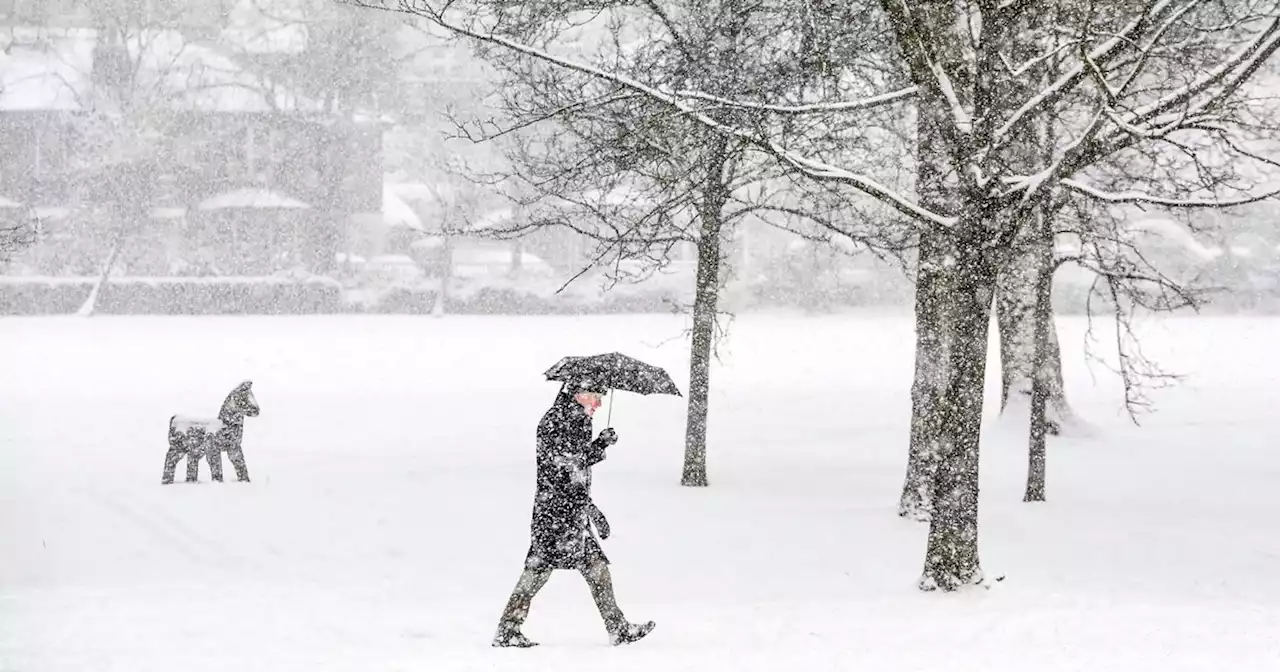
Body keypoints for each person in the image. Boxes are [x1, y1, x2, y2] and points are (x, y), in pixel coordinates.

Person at [492, 380, 655, 647]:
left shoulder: (576, 419)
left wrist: (600, 444)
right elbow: (564, 467)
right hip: (555, 515)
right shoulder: (556, 420)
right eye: (596, 396)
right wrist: (590, 504)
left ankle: (618, 628)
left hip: (570, 513)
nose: (599, 403)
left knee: (595, 568)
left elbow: (575, 463)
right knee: (537, 570)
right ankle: (507, 630)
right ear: (579, 394)